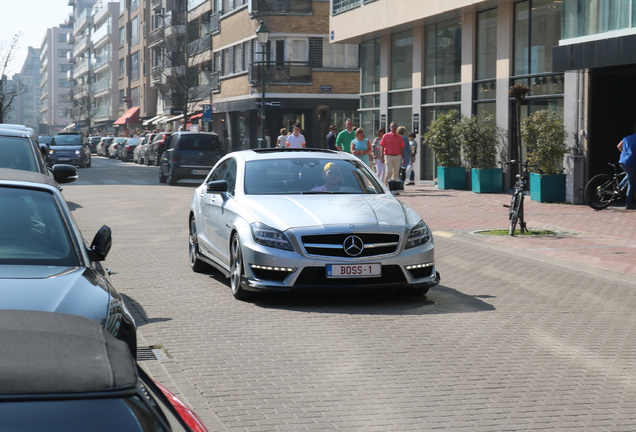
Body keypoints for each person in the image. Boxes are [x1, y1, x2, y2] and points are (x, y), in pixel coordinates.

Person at [617, 124, 636, 210]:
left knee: (629, 174)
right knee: (632, 184)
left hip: (622, 161)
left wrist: (625, 153)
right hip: (631, 162)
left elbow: (619, 146)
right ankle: (628, 204)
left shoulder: (627, 138)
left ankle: (620, 187)